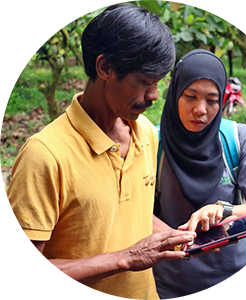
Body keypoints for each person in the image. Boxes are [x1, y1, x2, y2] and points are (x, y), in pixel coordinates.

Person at [7, 4, 196, 300]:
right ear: (105, 68)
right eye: (145, 81)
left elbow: (131, 214)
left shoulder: (144, 132)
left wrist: (182, 237)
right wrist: (126, 258)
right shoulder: (45, 156)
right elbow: (18, 274)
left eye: (158, 82)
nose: (154, 95)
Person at [153, 49, 246, 297]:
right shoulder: (152, 143)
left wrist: (224, 210)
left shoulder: (237, 139)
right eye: (190, 96)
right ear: (175, 93)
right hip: (170, 282)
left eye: (212, 100)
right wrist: (177, 238)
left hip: (232, 280)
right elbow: (133, 210)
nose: (201, 110)